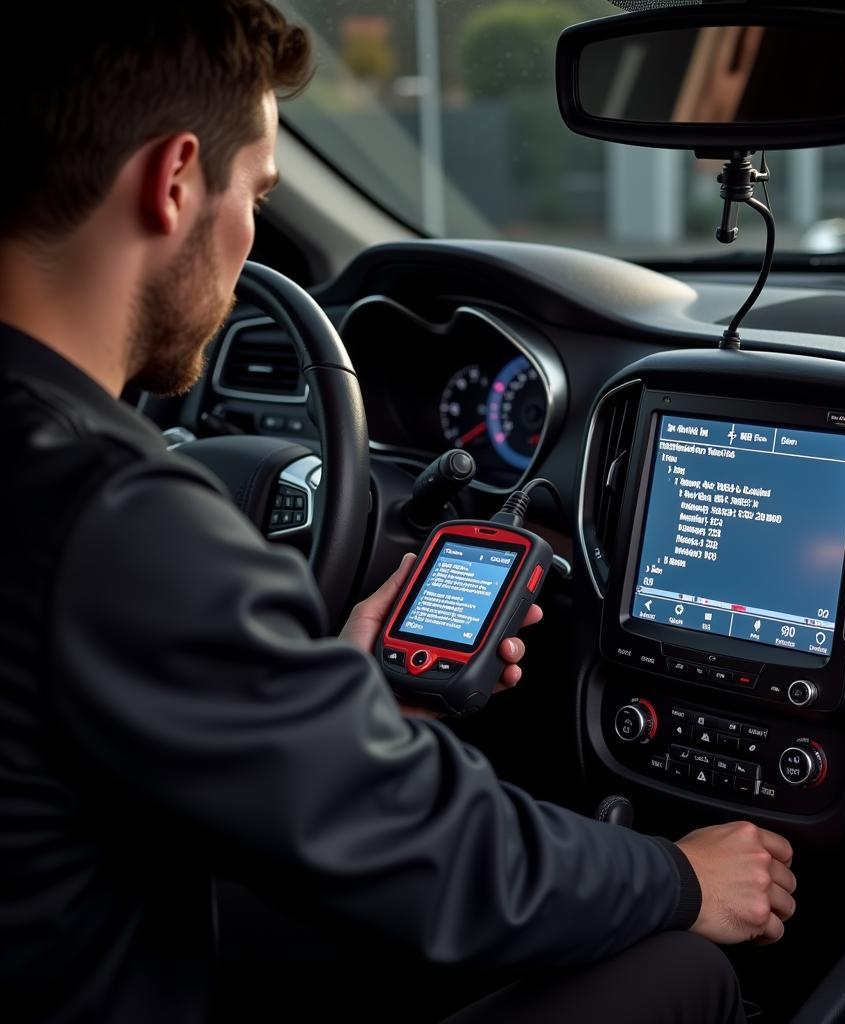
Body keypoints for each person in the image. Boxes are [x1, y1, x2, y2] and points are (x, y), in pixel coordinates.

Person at [0, 4, 797, 1022]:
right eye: (257, 196)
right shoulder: (113, 514)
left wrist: (322, 689)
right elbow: (442, 860)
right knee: (688, 975)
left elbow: (212, 769)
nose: (250, 240)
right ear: (174, 181)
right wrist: (683, 876)